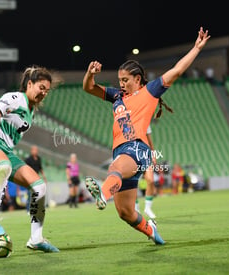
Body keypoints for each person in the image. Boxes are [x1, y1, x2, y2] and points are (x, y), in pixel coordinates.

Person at [82, 27, 210, 246]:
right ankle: (151, 229)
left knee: (114, 169)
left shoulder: (150, 91)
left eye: (125, 80)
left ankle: (102, 193)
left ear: (137, 78)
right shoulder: (117, 97)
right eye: (119, 80)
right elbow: (89, 88)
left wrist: (196, 48)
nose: (121, 84)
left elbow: (177, 70)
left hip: (137, 149)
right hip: (122, 151)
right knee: (125, 213)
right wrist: (90, 73)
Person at [0, 65, 60, 252]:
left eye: (47, 91)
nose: (44, 93)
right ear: (30, 84)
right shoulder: (14, 98)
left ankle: (36, 239)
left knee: (39, 186)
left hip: (5, 151)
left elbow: (9, 141)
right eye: (41, 88)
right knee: (4, 166)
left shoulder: (30, 112)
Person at [135, 125, 158, 219]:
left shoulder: (145, 122)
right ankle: (136, 209)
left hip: (145, 154)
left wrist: (154, 155)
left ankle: (147, 208)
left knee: (151, 180)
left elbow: (150, 141)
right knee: (133, 183)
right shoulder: (126, 120)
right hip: (131, 153)